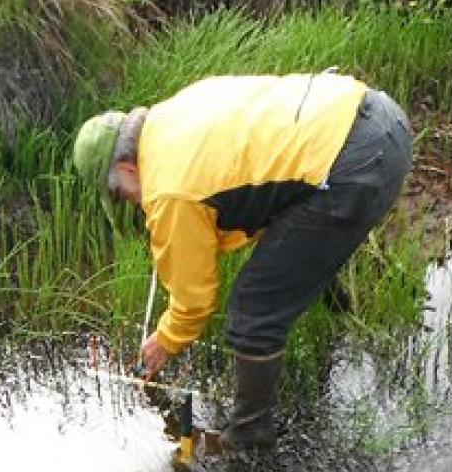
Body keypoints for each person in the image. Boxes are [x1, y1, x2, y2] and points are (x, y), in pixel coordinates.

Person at [70, 69, 413, 450]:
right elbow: (258, 180)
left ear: (128, 168)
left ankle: (249, 434)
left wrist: (166, 340)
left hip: (356, 167)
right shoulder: (172, 113)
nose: (128, 201)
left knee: (253, 309)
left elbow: (194, 302)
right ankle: (335, 304)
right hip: (379, 115)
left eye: (119, 194)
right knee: (290, 233)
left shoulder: (169, 192)